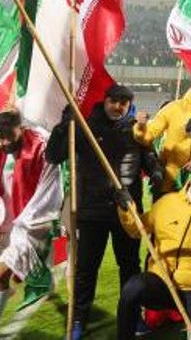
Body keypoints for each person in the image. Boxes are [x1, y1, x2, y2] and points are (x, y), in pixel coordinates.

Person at [45, 84, 150, 338]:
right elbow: (53, 155)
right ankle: (79, 319)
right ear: (104, 101)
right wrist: (63, 127)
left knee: (130, 267)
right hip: (91, 212)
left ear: (129, 105)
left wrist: (156, 171)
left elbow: (149, 156)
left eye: (123, 103)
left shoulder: (136, 128)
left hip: (127, 211)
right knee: (86, 269)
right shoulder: (83, 126)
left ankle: (133, 318)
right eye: (113, 101)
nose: (117, 107)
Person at [115, 160, 191, 340]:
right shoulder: (167, 203)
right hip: (161, 282)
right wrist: (126, 209)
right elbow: (136, 229)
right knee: (132, 289)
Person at [0, 111, 64, 340]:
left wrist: (33, 220)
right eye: (0, 137)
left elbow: (52, 185)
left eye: (10, 135)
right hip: (8, 221)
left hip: (33, 221)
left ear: (22, 127)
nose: (5, 141)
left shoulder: (42, 146)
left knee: (0, 275)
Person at [134, 73, 191, 194]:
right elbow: (148, 136)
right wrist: (141, 126)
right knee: (162, 212)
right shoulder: (174, 108)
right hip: (168, 179)